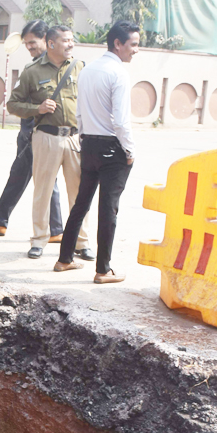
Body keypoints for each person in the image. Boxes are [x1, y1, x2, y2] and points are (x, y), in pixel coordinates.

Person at [54, 21, 139, 284]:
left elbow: (80, 112)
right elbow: (121, 121)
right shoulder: (119, 74)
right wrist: (130, 150)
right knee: (108, 209)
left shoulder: (88, 69)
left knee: (81, 203)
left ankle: (64, 259)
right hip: (112, 148)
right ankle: (103, 270)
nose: (135, 50)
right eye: (133, 44)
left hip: (88, 143)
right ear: (118, 43)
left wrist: (85, 137)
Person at [6, 25, 93, 261]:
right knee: (43, 191)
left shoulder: (80, 68)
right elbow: (12, 104)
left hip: (75, 138)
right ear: (52, 44)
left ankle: (81, 241)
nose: (71, 45)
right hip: (46, 137)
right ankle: (39, 240)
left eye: (72, 40)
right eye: (66, 40)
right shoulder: (32, 71)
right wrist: (38, 108)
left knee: (79, 194)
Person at [0, 20, 63, 242]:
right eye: (26, 44)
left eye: (33, 43)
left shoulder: (51, 68)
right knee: (21, 175)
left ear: (46, 40)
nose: (29, 47)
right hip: (28, 132)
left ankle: (55, 229)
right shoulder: (34, 66)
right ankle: (2, 222)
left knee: (45, 179)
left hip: (39, 133)